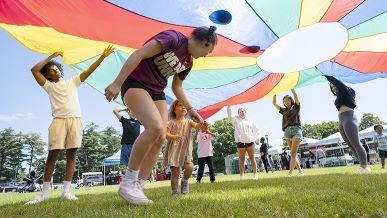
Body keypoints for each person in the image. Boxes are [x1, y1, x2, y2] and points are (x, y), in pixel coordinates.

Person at [104, 26, 217, 205]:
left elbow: (176, 87)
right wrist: (117, 83)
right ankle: (128, 182)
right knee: (155, 127)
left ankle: (138, 186)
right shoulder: (173, 38)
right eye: (208, 51)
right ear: (204, 42)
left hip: (156, 91)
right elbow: (139, 54)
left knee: (161, 135)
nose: (206, 55)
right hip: (136, 83)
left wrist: (190, 110)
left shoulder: (188, 62)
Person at [26, 46, 114, 205]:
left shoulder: (72, 82)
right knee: (52, 155)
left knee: (71, 155)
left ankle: (66, 191)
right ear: (48, 75)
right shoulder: (49, 86)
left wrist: (102, 56)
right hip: (58, 121)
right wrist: (51, 56)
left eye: (56, 68)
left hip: (75, 120)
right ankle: (44, 194)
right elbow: (34, 70)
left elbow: (90, 70)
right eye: (51, 70)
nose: (55, 71)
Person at [325, 75, 370, 173]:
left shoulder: (346, 91)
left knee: (356, 143)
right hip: (341, 120)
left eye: (334, 86)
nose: (333, 88)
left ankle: (365, 166)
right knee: (350, 145)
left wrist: (326, 75)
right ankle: (361, 165)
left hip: (349, 118)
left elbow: (338, 83)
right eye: (331, 87)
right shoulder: (339, 97)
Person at [164, 99, 201, 195]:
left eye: (184, 105)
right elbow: (165, 134)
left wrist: (201, 122)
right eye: (180, 105)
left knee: (190, 166)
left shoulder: (189, 122)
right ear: (174, 109)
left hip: (186, 149)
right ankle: (174, 191)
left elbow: (198, 126)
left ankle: (185, 180)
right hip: (174, 150)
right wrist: (174, 136)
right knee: (175, 172)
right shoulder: (170, 123)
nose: (183, 107)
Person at [272, 89, 304, 177]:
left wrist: (293, 91)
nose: (286, 102)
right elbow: (274, 103)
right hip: (287, 132)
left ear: (291, 100)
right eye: (284, 101)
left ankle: (290, 173)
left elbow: (296, 98)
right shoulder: (283, 110)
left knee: (293, 153)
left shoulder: (296, 107)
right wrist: (274, 92)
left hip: (296, 130)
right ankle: (300, 172)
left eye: (288, 100)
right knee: (293, 154)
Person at [227, 106, 259, 180]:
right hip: (240, 143)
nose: (242, 112)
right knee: (241, 160)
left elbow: (256, 130)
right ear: (238, 113)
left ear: (245, 112)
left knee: (252, 158)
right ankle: (241, 176)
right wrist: (229, 106)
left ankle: (255, 175)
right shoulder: (235, 120)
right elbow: (230, 116)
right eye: (240, 111)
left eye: (243, 111)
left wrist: (257, 138)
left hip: (250, 142)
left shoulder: (250, 121)